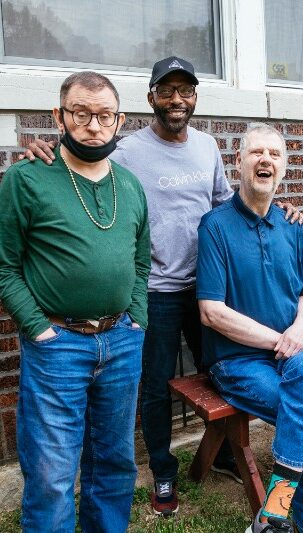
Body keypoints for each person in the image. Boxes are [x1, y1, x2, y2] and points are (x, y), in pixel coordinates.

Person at [21, 56, 300, 517]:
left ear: (194, 98)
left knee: (219, 369)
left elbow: (225, 204)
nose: (176, 99)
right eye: (166, 90)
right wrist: (44, 150)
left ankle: (228, 452)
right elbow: (81, 158)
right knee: (154, 387)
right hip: (154, 291)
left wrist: (273, 204)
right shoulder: (127, 150)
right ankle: (163, 471)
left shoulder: (208, 146)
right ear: (151, 98)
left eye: (185, 90)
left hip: (209, 287)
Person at [0, 72, 150, 532]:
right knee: (51, 472)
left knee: (115, 462)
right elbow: (5, 265)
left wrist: (137, 318)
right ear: (59, 116)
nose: (93, 125)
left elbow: (143, 263)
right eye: (80, 113)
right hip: (57, 343)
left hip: (121, 342)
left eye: (104, 115)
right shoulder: (27, 179)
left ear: (119, 120)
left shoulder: (130, 185)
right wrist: (37, 328)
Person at [196, 123, 303, 533]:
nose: (265, 160)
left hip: (291, 358)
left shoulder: (293, 226)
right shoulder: (215, 226)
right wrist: (286, 340)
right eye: (256, 152)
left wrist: (299, 327)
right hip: (238, 362)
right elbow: (212, 312)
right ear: (238, 163)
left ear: (284, 167)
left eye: (274, 155)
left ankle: (275, 519)